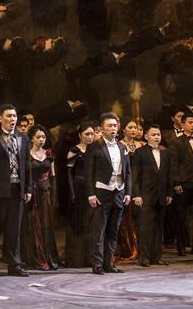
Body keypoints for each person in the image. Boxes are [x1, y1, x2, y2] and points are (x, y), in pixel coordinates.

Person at [0, 104, 32, 278]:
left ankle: (15, 265)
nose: (12, 119)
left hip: (17, 189)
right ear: (0, 118)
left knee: (14, 230)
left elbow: (27, 165)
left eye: (14, 116)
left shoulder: (23, 138)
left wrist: (28, 188)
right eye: (9, 116)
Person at [84, 112, 132, 275]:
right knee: (98, 230)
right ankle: (97, 264)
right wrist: (91, 194)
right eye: (109, 125)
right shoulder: (94, 147)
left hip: (119, 192)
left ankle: (108, 263)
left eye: (115, 125)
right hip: (102, 192)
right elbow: (88, 173)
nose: (113, 128)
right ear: (102, 129)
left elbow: (128, 172)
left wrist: (128, 192)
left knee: (114, 230)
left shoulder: (122, 147)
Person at [133, 123, 173, 267]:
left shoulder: (166, 153)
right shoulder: (140, 152)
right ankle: (143, 257)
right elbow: (135, 176)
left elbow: (169, 175)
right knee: (145, 229)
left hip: (161, 196)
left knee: (158, 228)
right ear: (146, 136)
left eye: (158, 135)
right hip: (146, 196)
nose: (157, 137)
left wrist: (169, 193)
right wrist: (136, 195)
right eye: (153, 134)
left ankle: (157, 257)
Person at [22, 125, 60, 270]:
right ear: (31, 139)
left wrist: (54, 194)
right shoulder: (27, 154)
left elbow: (53, 175)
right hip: (32, 192)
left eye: (43, 137)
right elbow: (25, 175)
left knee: (46, 224)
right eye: (38, 137)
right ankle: (35, 258)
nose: (41, 140)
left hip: (45, 192)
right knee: (33, 225)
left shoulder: (49, 154)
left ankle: (48, 257)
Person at [65, 123, 96, 268]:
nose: (90, 137)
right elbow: (69, 174)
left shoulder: (96, 149)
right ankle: (77, 259)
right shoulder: (74, 150)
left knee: (91, 222)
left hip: (93, 188)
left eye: (92, 134)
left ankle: (91, 258)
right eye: (86, 134)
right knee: (78, 222)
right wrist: (72, 193)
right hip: (78, 188)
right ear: (80, 135)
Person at [168, 111, 193, 256]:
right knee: (181, 216)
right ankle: (181, 246)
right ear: (183, 124)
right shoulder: (176, 141)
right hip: (183, 183)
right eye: (190, 123)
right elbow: (173, 164)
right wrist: (176, 182)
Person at [115, 117, 143, 261]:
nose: (134, 130)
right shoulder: (119, 145)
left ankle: (142, 247)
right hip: (125, 181)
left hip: (140, 182)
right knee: (126, 217)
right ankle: (127, 247)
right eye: (130, 127)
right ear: (123, 129)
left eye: (135, 128)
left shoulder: (141, 145)